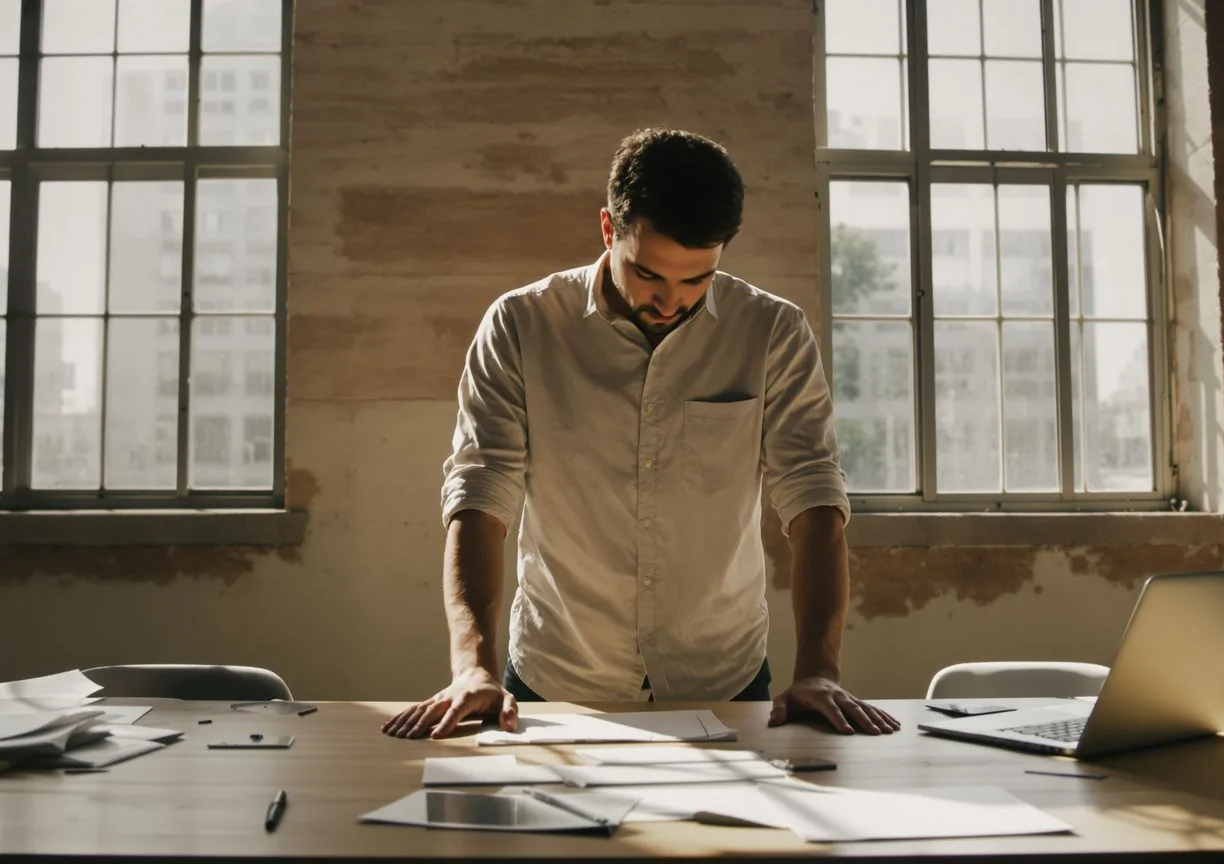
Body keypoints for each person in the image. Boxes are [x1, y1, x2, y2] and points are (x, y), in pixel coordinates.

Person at [381, 128, 900, 740]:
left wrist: (819, 669)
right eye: (650, 274)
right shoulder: (522, 325)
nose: (671, 301)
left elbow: (813, 499)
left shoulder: (772, 332)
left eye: (697, 280)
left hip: (724, 673)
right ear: (609, 229)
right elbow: (479, 497)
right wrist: (472, 667)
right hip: (560, 676)